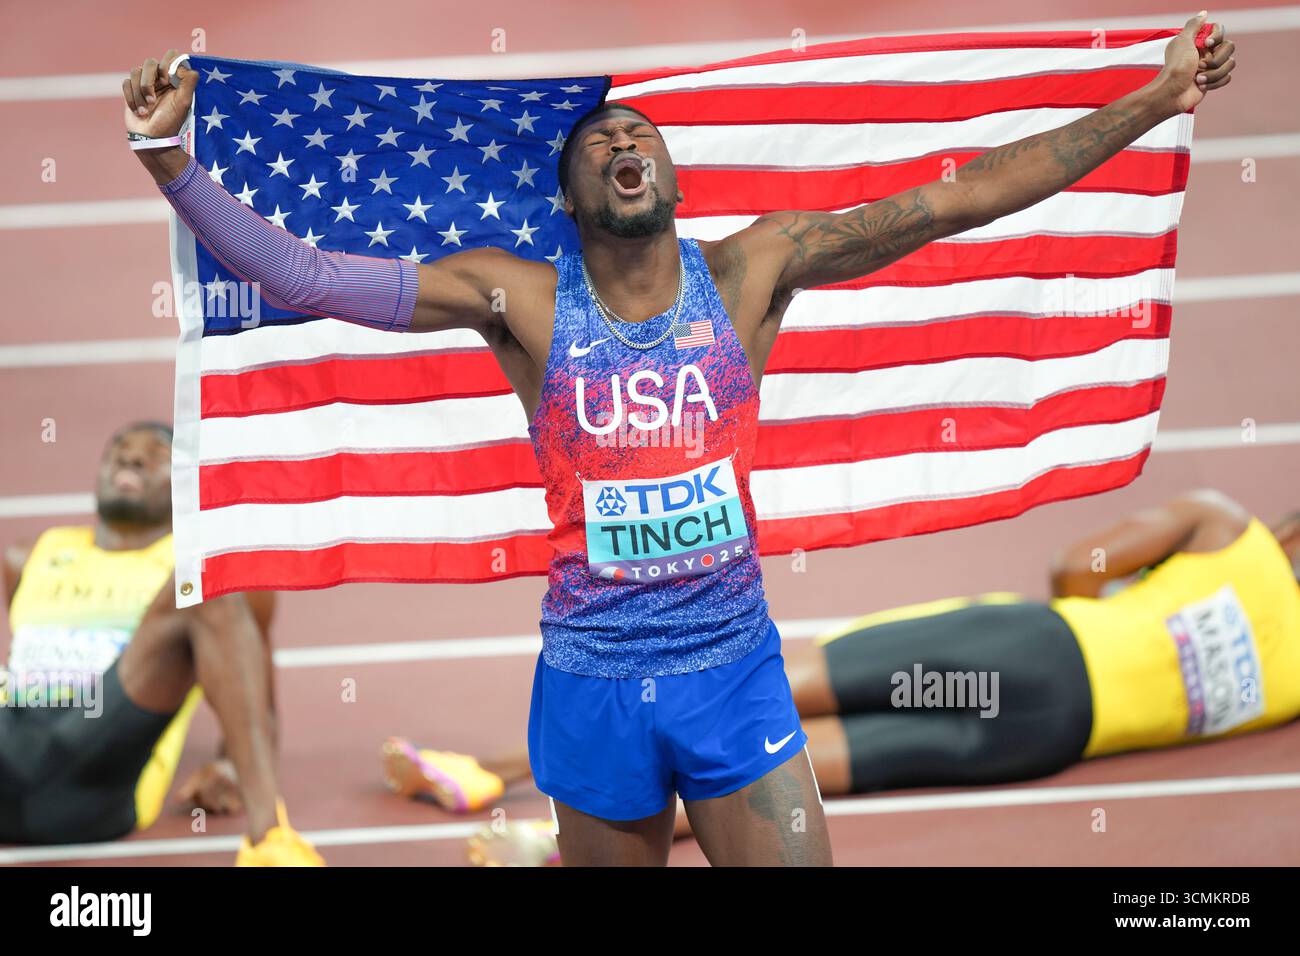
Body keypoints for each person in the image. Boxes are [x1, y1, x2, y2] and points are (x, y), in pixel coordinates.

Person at [122, 14, 1235, 866]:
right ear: (568, 198)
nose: (621, 137)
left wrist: (1154, 99)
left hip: (734, 674)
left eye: (638, 132)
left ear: (668, 178)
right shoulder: (519, 298)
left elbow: (959, 199)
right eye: (600, 136)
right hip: (590, 683)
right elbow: (309, 275)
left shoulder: (751, 268)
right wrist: (171, 161)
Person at [386, 488, 1300, 864]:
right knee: (801, 773)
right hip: (1048, 733)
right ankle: (544, 842)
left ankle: (491, 770)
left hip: (1039, 649)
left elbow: (1078, 564)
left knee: (776, 702)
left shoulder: (1225, 526)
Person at [0, 422, 322, 865]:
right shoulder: (31, 556)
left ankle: (270, 841)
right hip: (12, 734)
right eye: (119, 448)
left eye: (155, 454)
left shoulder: (197, 563)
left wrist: (229, 766)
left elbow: (256, 698)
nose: (131, 458)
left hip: (90, 769)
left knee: (206, 579)